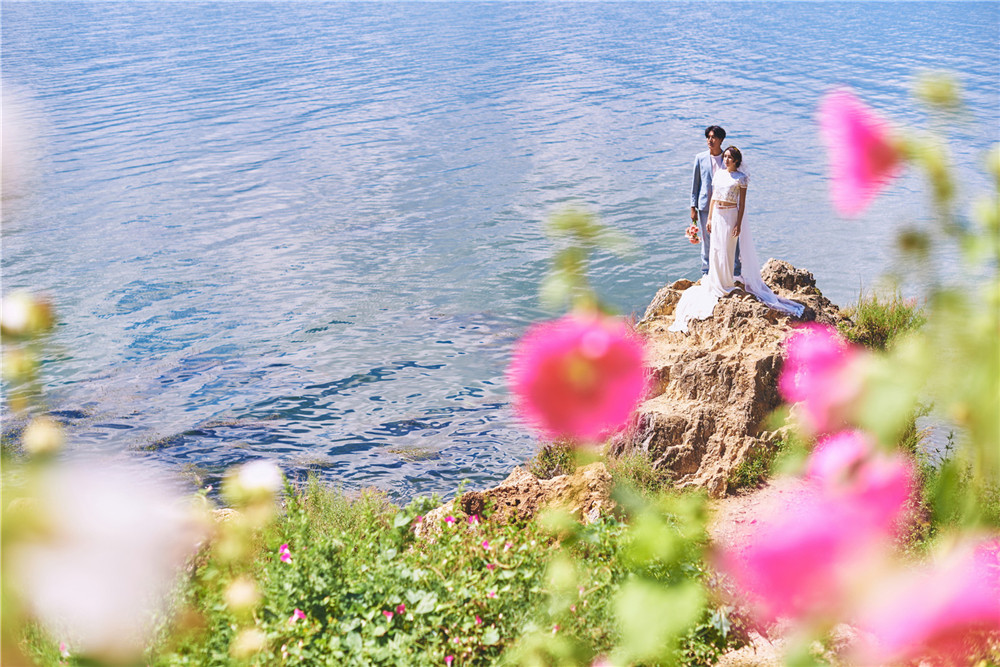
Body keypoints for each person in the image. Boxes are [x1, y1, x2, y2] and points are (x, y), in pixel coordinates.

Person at [670, 146, 804, 333]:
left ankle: (727, 281)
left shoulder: (741, 178)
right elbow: (714, 198)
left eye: (729, 157)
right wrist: (708, 218)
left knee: (728, 249)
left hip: (731, 215)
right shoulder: (719, 175)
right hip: (717, 214)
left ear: (736, 160)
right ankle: (718, 280)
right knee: (715, 249)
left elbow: (742, 204)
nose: (726, 160)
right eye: (725, 157)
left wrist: (738, 223)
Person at [691, 125, 741, 279]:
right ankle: (706, 271)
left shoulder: (727, 157)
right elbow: (695, 184)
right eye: (708, 137)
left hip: (726, 206)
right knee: (707, 240)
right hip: (706, 206)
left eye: (713, 137)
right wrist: (693, 206)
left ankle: (736, 271)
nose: (710, 140)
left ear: (721, 140)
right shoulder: (700, 158)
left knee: (731, 238)